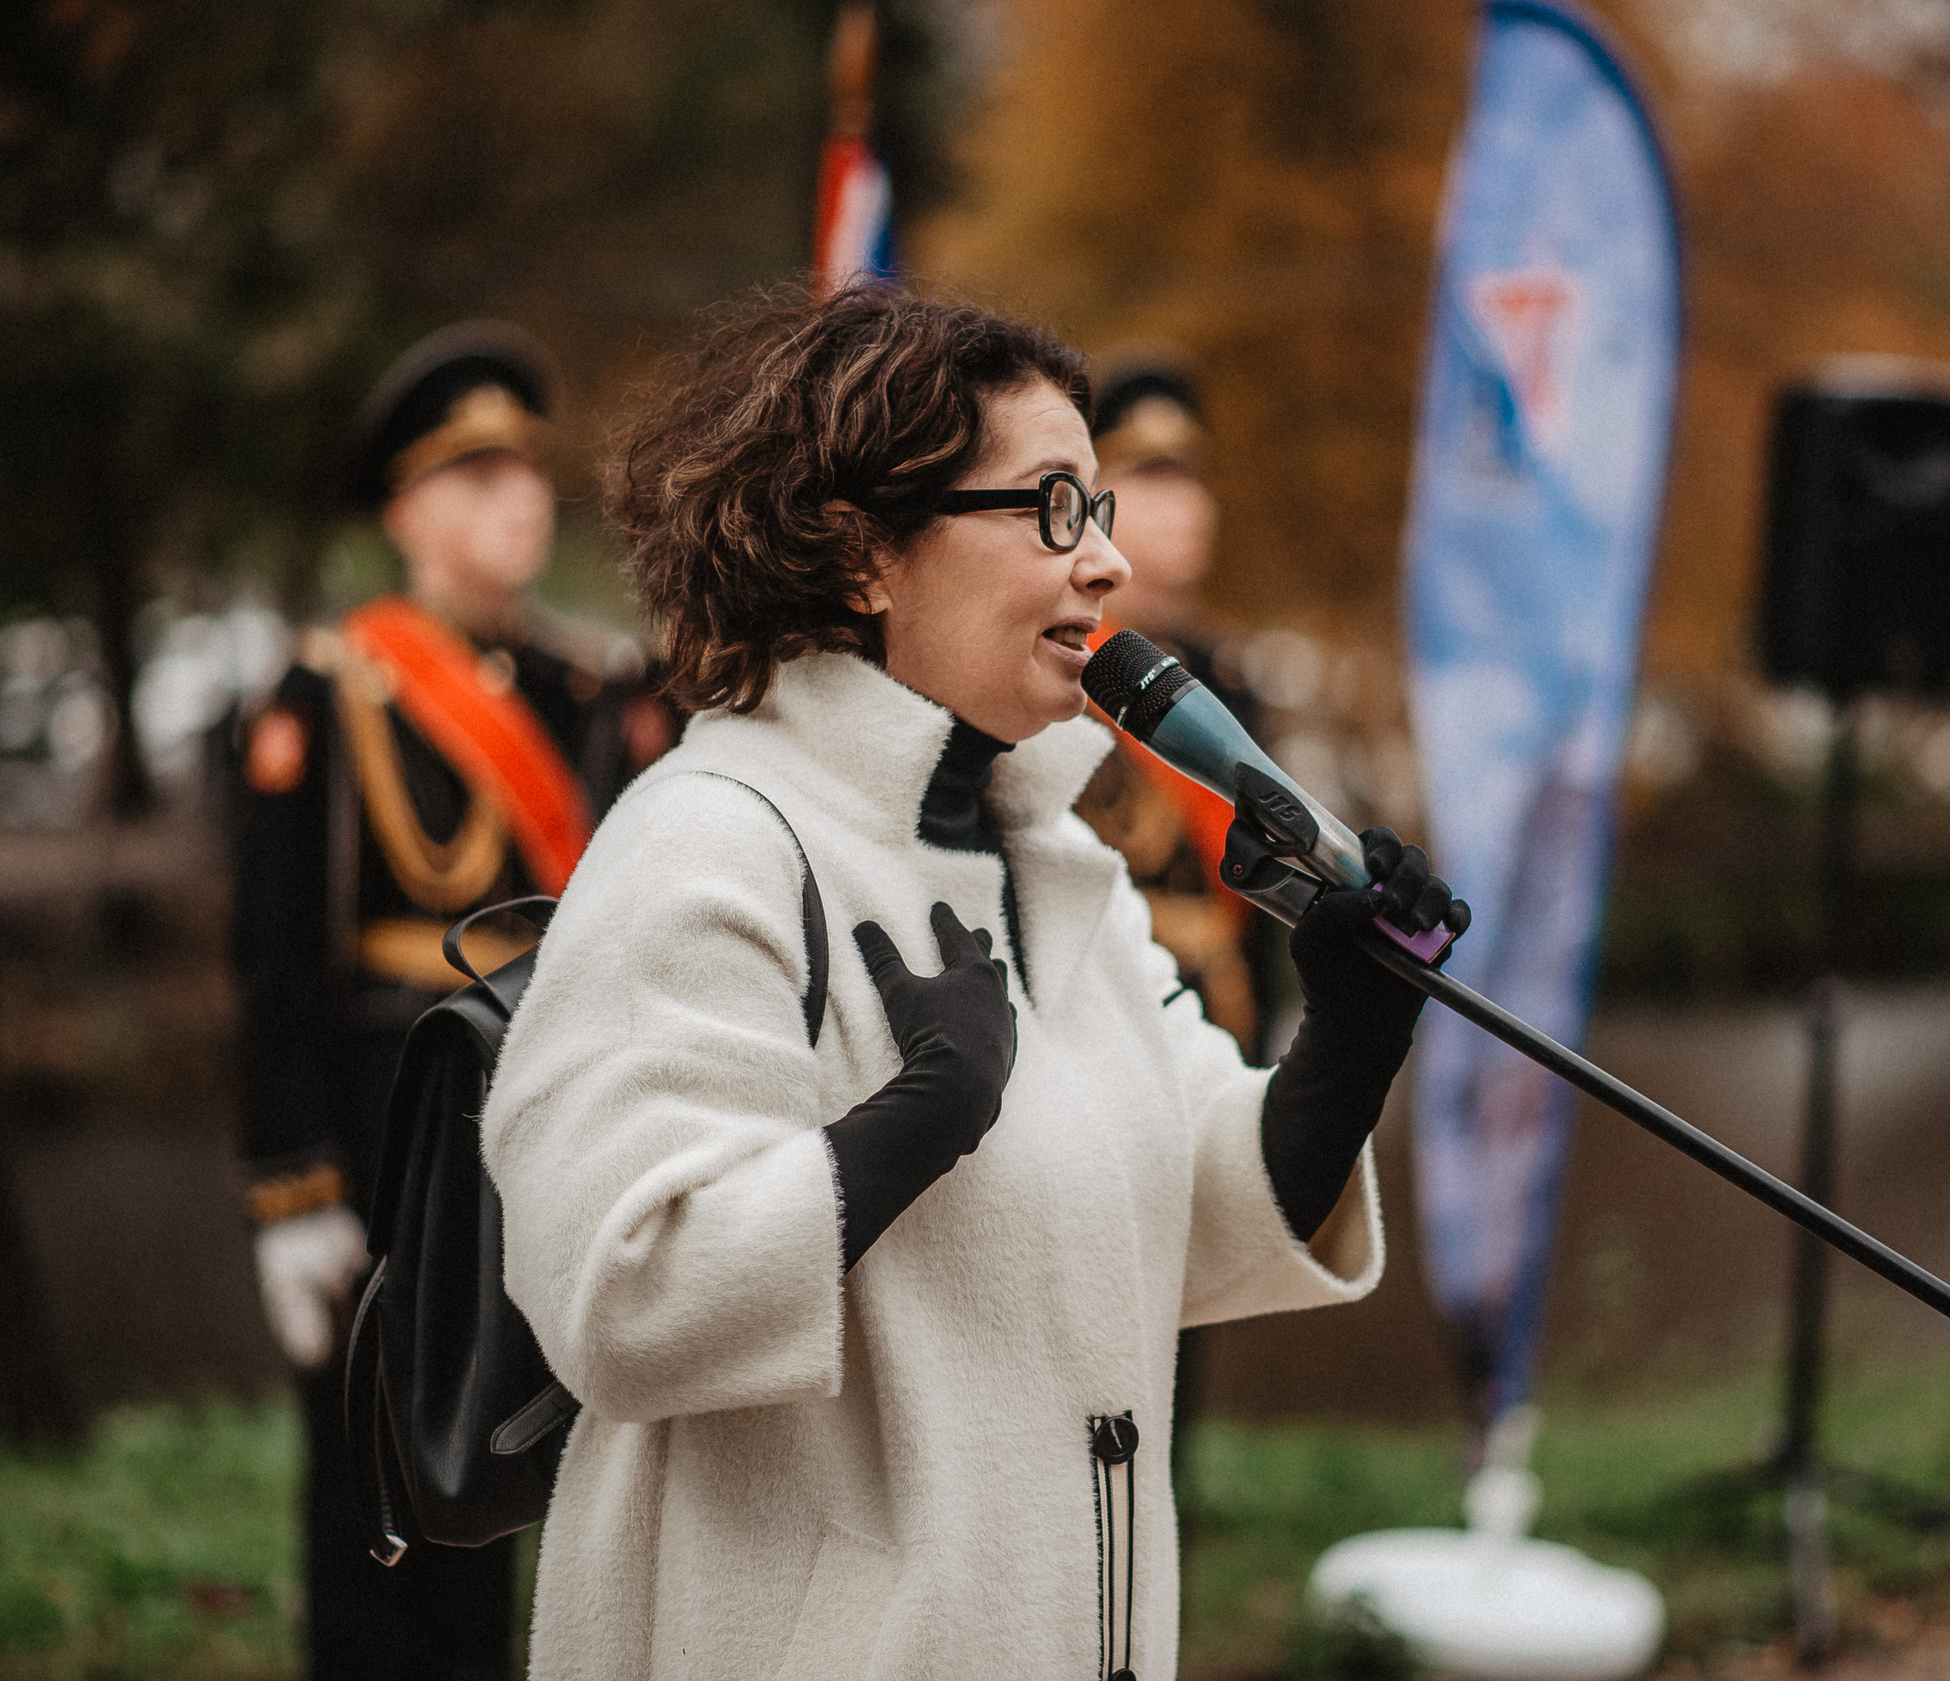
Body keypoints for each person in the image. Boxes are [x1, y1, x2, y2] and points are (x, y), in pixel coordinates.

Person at [479, 284, 1465, 1680]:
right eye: (1055, 508)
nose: (1106, 562)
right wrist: (917, 1118)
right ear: (862, 548)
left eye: (1104, 509)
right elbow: (618, 1303)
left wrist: (1354, 1035)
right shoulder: (708, 841)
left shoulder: (1049, 859)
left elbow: (1190, 1214)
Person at [230, 321, 673, 1681]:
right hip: (393, 1125)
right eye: (475, 478)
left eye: (526, 474)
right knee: (375, 1470)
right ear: (406, 511)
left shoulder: (592, 688)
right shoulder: (332, 690)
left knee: (518, 1458)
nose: (518, 501)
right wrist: (294, 1190)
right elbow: (279, 960)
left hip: (550, 1119)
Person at [1071, 354, 1274, 1055]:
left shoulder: (1231, 674)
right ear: (1094, 501)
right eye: (1152, 479)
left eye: (1191, 479)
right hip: (1114, 1040)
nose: (1185, 508)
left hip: (1231, 1045)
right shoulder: (1061, 670)